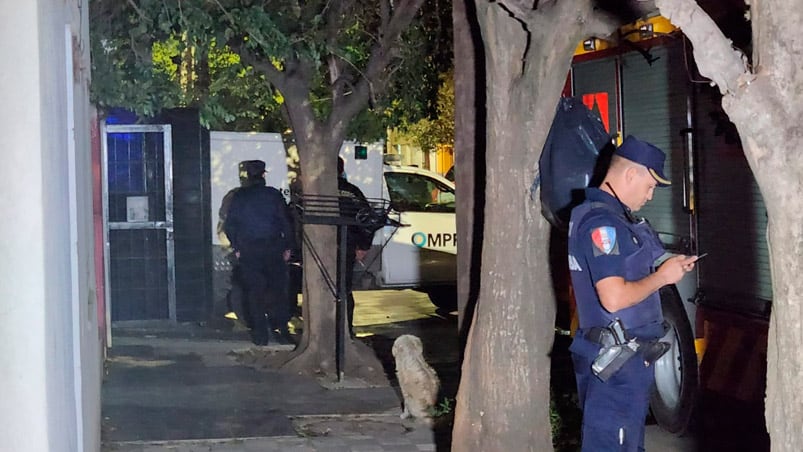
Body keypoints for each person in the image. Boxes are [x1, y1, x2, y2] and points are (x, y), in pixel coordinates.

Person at [567, 136, 699, 451]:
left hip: (623, 362)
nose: (650, 196)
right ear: (630, 175)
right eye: (650, 186)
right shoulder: (602, 224)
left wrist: (670, 265)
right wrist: (661, 278)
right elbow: (612, 298)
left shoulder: (616, 219)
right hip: (616, 366)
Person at [224, 160, 293, 346]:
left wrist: (237, 247)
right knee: (278, 292)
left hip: (249, 251)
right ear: (263, 174)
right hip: (273, 249)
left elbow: (230, 225)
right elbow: (286, 222)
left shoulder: (239, 197)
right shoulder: (273, 195)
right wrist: (288, 247)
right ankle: (281, 330)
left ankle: (260, 335)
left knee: (255, 294)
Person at [337, 157, 375, 337]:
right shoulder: (352, 191)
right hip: (347, 246)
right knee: (344, 289)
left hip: (319, 250)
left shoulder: (316, 189)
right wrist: (364, 246)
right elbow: (368, 219)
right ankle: (346, 330)